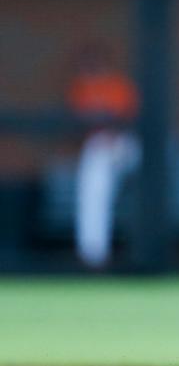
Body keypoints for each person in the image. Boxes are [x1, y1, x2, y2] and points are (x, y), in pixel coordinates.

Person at [67, 45, 141, 269]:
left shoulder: (118, 86)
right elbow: (77, 125)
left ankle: (97, 252)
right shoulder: (79, 89)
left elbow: (133, 120)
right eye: (87, 62)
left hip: (128, 144)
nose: (91, 67)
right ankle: (93, 254)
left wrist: (114, 134)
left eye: (95, 61)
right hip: (99, 148)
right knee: (95, 178)